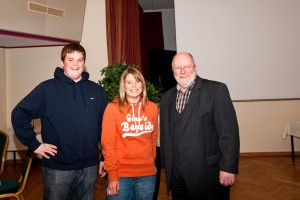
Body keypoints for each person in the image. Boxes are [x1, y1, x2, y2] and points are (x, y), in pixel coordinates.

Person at [11, 43, 108, 200]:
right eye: (71, 59)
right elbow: (19, 113)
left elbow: (105, 128)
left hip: (89, 167)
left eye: (80, 59)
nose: (76, 64)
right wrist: (35, 144)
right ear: (62, 62)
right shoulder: (46, 89)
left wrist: (105, 156)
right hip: (58, 168)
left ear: (84, 63)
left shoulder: (97, 91)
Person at [159, 52, 240, 200]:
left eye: (187, 66)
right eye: (178, 68)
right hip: (177, 177)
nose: (182, 71)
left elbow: (228, 133)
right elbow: (166, 135)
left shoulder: (216, 90)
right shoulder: (166, 98)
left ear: (195, 67)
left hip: (208, 175)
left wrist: (228, 167)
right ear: (172, 71)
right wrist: (167, 167)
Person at [101, 67, 159, 200]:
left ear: (142, 85)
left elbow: (153, 138)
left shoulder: (153, 108)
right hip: (121, 175)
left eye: (137, 81)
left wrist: (152, 161)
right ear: (123, 86)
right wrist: (113, 176)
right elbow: (108, 144)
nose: (134, 85)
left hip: (147, 175)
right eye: (129, 82)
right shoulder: (112, 109)